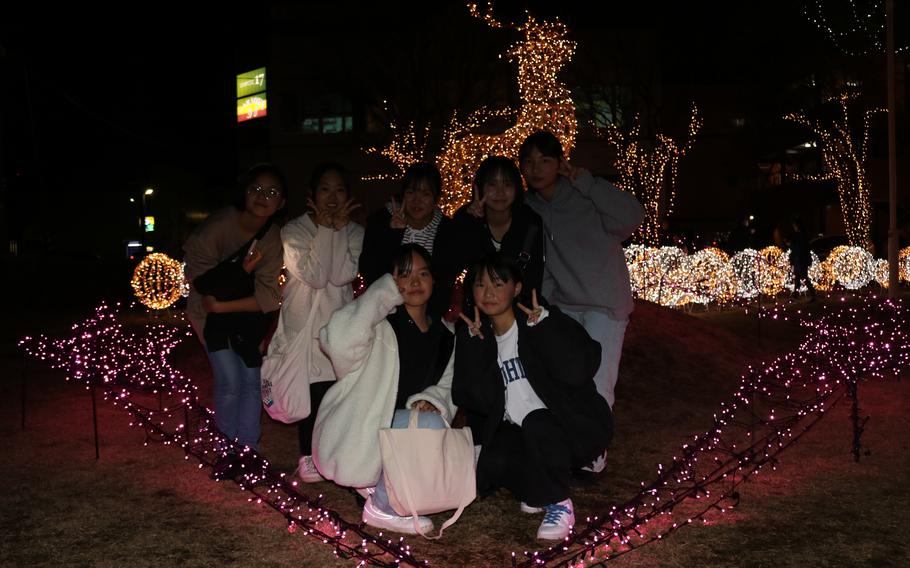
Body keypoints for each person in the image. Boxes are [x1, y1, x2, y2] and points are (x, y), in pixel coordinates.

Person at [452, 253, 612, 540]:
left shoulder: (542, 321)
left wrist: (546, 329)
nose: (488, 293)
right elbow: (476, 401)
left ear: (516, 289)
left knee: (538, 421)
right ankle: (539, 489)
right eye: (480, 284)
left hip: (565, 428)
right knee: (491, 461)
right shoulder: (476, 336)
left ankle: (559, 502)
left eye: (498, 284)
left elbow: (579, 371)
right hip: (522, 435)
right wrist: (474, 350)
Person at [313, 244, 456, 534]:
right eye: (403, 275)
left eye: (423, 273)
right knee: (425, 428)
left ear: (434, 280)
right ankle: (382, 506)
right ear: (389, 282)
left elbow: (449, 385)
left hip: (403, 431)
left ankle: (380, 480)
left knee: (429, 421)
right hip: (361, 430)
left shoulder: (446, 335)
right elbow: (337, 340)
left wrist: (431, 400)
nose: (414, 282)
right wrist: (379, 296)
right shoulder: (377, 325)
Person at [519, 131, 644, 424]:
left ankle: (593, 461)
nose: (536, 168)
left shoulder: (583, 194)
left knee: (598, 385)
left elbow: (632, 217)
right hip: (565, 307)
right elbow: (542, 261)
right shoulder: (529, 207)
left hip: (605, 305)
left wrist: (586, 182)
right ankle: (572, 452)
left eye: (545, 160)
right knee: (565, 382)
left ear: (560, 162)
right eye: (529, 161)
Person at [267, 162, 363, 482]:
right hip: (304, 321)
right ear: (312, 194)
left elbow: (342, 275)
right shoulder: (293, 230)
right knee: (308, 390)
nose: (332, 197)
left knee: (334, 391)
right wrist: (324, 230)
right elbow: (315, 276)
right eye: (325, 189)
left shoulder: (355, 231)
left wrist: (335, 230)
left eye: (339, 189)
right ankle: (307, 456)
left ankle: (331, 452)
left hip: (337, 322)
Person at [183, 163, 286, 455]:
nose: (262, 196)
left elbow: (268, 295)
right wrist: (238, 276)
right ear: (244, 192)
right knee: (229, 380)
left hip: (244, 320)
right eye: (256, 189)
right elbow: (201, 282)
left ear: (282, 202)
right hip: (211, 319)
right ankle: (227, 450)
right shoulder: (218, 226)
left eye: (272, 192)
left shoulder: (272, 237)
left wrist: (222, 304)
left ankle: (248, 450)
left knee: (251, 383)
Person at [359, 162, 456, 318]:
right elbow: (369, 269)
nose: (417, 200)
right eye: (411, 192)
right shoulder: (381, 221)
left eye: (426, 194)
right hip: (385, 315)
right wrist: (391, 234)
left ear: (436, 198)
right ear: (403, 194)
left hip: (428, 317)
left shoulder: (447, 231)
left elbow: (446, 280)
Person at [451, 156, 544, 305]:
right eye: (492, 184)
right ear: (480, 188)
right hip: (478, 307)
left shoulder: (530, 222)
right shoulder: (465, 219)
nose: (500, 192)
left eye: (507, 184)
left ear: (517, 188)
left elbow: (534, 279)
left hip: (520, 309)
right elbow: (454, 266)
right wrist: (471, 223)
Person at [788, 217, 816, 300]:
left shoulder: (801, 235)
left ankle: (812, 294)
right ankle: (796, 294)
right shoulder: (799, 235)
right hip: (798, 258)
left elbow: (800, 248)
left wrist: (791, 245)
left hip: (801, 259)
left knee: (803, 276)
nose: (794, 227)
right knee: (797, 277)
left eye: (795, 225)